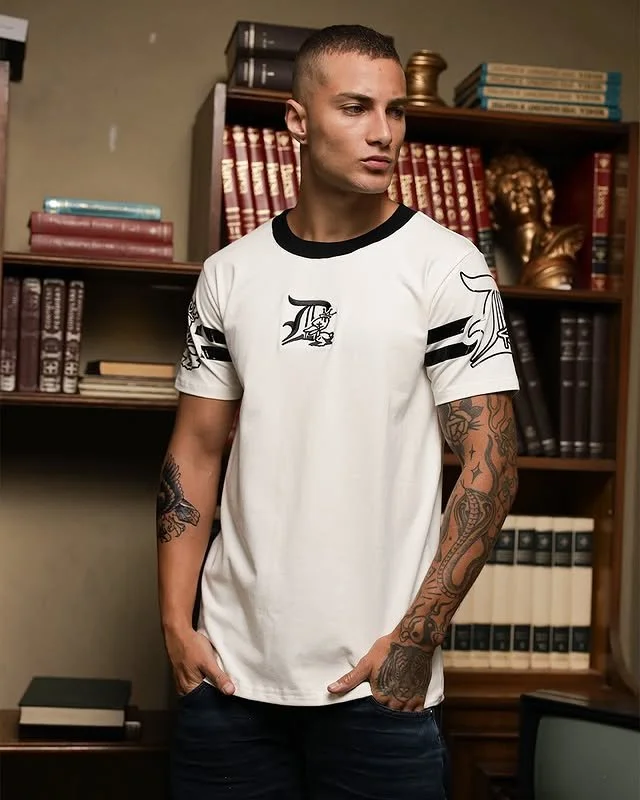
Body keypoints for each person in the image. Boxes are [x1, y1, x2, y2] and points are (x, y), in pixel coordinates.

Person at [157, 23, 519, 800]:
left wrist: (416, 640)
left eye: (395, 111)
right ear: (297, 119)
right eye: (355, 108)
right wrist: (175, 627)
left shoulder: (447, 268)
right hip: (227, 683)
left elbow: (491, 466)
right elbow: (194, 452)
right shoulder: (230, 274)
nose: (383, 132)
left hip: (377, 688)